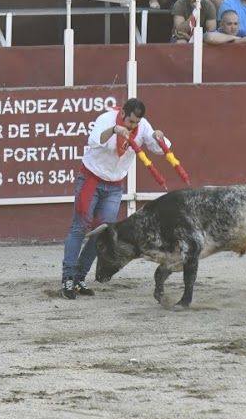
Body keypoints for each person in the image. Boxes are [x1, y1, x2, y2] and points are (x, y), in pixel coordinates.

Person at [58, 98, 166, 299]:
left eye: (136, 123)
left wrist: (160, 137)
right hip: (91, 180)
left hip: (114, 186)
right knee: (79, 228)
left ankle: (80, 278)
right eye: (131, 121)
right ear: (123, 113)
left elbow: (158, 148)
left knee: (101, 232)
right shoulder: (106, 119)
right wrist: (115, 130)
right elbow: (94, 140)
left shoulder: (142, 126)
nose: (133, 126)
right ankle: (68, 278)